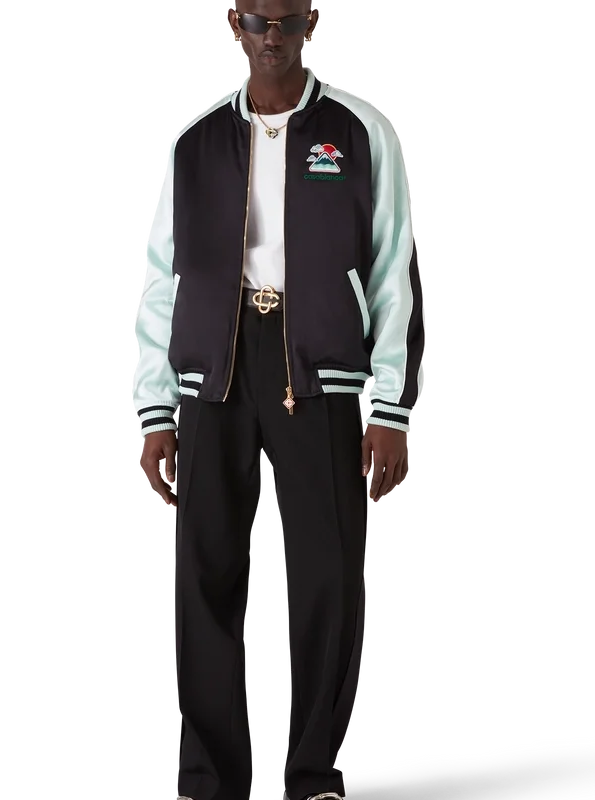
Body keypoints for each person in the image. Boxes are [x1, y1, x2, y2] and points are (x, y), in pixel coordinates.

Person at [134, 2, 424, 798]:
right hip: (214, 367)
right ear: (234, 24)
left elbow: (394, 271)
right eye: (258, 21)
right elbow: (161, 278)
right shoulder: (195, 142)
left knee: (329, 571)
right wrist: (155, 409)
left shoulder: (361, 131)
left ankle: (313, 771)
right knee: (204, 572)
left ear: (312, 25)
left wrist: (390, 408)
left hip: (321, 367)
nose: (272, 37)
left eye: (288, 21)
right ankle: (209, 774)